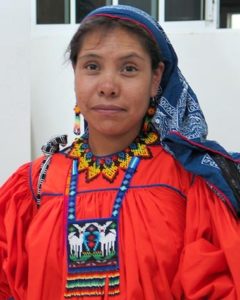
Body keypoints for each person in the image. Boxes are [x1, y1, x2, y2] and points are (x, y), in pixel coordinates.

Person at [1, 4, 240, 300]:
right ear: (75, 74)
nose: (108, 86)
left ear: (155, 78)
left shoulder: (191, 183)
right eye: (92, 66)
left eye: (129, 68)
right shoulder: (32, 186)